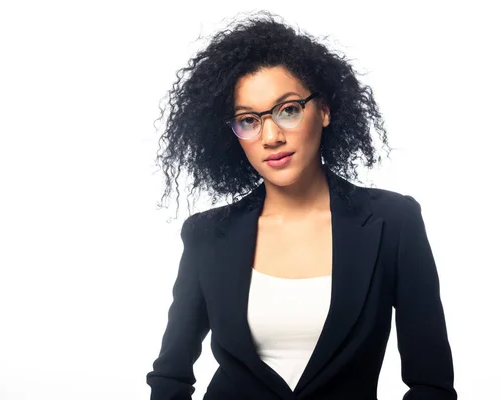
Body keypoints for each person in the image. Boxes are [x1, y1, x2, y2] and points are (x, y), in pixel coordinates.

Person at [147, 11, 456, 400]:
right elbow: (170, 377)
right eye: (248, 120)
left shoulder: (392, 222)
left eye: (288, 110)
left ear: (323, 111)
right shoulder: (207, 234)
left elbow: (431, 384)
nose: (271, 136)